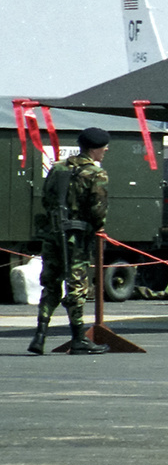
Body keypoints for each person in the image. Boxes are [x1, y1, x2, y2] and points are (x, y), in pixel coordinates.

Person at [28, 128, 111, 355]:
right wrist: (95, 229)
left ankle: (40, 335)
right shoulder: (96, 174)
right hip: (76, 239)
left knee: (51, 284)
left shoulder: (57, 168)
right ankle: (78, 338)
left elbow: (46, 199)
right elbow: (98, 211)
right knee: (77, 286)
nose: (106, 150)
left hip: (53, 235)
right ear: (94, 148)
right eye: (104, 147)